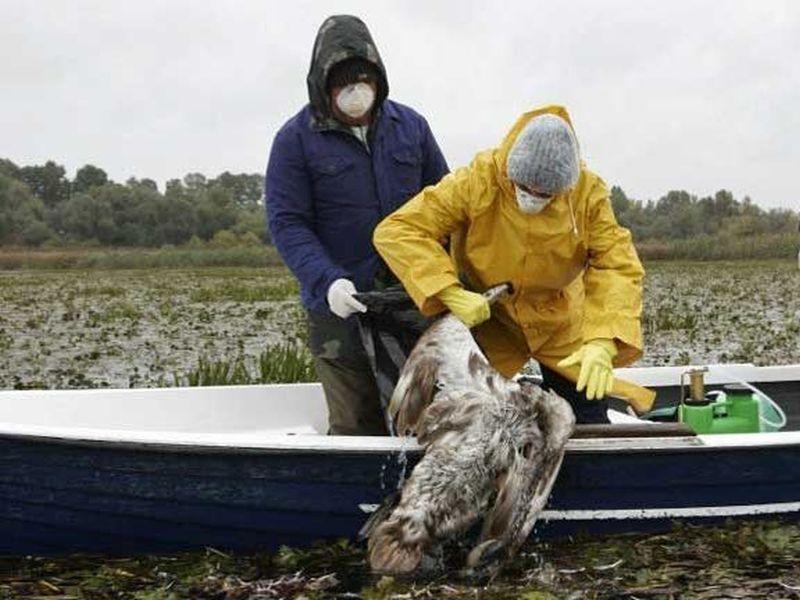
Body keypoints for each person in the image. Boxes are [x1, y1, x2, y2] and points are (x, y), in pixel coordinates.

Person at [373, 105, 649, 423]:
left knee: (588, 410)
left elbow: (616, 264)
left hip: (559, 321)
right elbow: (400, 230)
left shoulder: (588, 195)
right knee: (463, 417)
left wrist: (603, 340)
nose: (534, 197)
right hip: (492, 320)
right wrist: (449, 291)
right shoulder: (476, 180)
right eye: (526, 188)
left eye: (545, 194)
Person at [265, 15, 449, 435]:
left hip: (410, 301)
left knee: (424, 419)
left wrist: (447, 278)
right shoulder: (294, 140)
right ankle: (354, 498)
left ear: (378, 80)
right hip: (338, 308)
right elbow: (288, 223)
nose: (355, 92)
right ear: (322, 84)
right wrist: (327, 280)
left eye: (363, 80)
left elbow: (446, 204)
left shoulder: (412, 128)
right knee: (355, 424)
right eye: (343, 82)